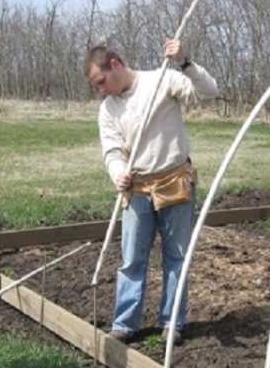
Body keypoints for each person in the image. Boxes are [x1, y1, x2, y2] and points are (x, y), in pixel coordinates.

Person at [83, 39, 219, 345]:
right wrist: (118, 174)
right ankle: (125, 324)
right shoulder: (109, 108)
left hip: (175, 183)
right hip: (138, 190)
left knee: (176, 257)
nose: (102, 89)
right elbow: (112, 150)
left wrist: (185, 61)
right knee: (132, 259)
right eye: (97, 85)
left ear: (115, 65)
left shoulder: (162, 80)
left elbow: (209, 92)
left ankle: (172, 322)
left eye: (102, 81)